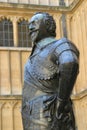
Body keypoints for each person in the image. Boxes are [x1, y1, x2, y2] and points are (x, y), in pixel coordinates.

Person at [22, 12, 79, 130]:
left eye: (34, 23)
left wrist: (61, 103)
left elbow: (70, 62)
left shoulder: (60, 44)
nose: (30, 27)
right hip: (31, 117)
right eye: (29, 24)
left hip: (49, 115)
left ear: (47, 25)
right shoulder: (33, 55)